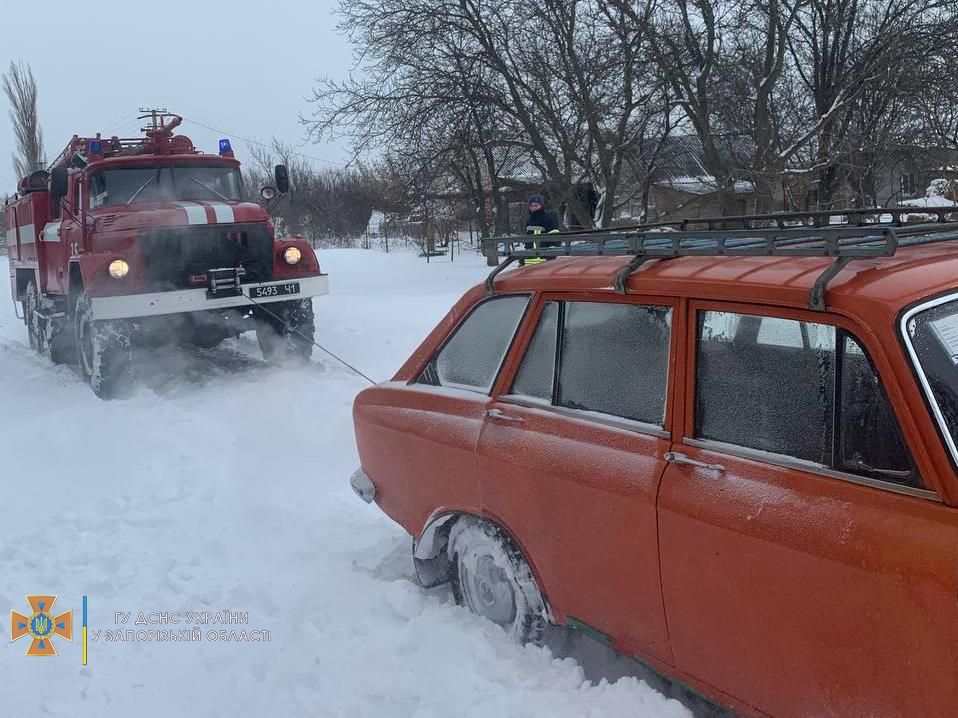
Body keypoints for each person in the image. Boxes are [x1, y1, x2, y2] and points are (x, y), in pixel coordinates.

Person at [523, 194, 561, 265]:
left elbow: (555, 238)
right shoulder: (529, 220)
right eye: (531, 206)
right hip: (529, 260)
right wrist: (523, 258)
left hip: (545, 260)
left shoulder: (548, 218)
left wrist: (551, 254)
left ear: (541, 206)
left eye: (536, 205)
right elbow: (528, 241)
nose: (534, 207)